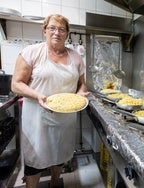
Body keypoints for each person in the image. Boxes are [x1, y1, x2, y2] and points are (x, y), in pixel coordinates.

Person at [11, 14, 89, 188]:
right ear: (44, 30)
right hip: (37, 118)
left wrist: (81, 93)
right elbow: (16, 84)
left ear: (67, 34)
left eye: (62, 29)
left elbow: (82, 84)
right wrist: (38, 95)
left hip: (65, 119)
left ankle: (54, 183)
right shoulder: (32, 52)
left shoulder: (75, 56)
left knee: (59, 154)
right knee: (35, 160)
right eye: (52, 28)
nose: (57, 33)